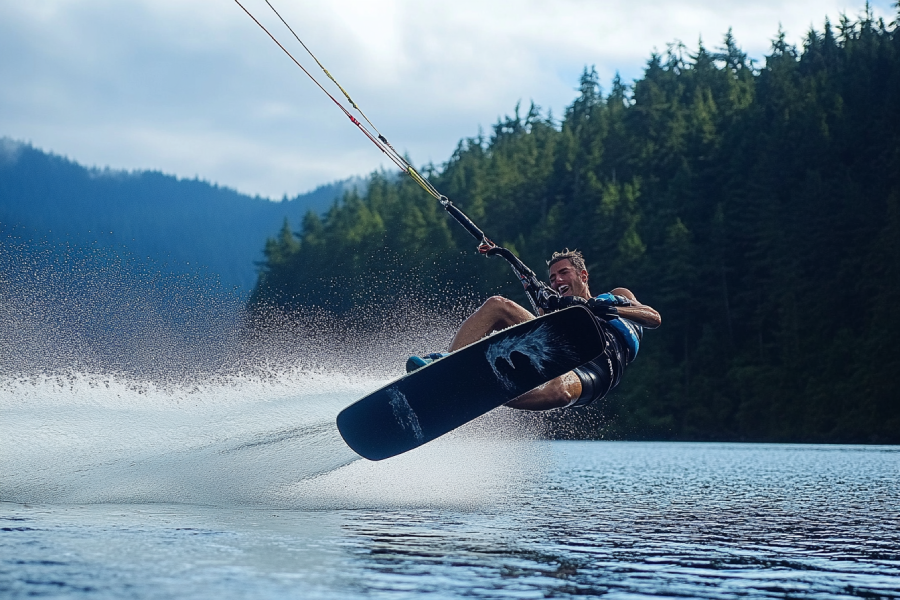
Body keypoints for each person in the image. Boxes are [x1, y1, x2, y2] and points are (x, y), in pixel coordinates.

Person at [407, 249, 661, 410]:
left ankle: (478, 392)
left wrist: (607, 309)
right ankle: (449, 366)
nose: (558, 281)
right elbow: (539, 325)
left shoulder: (616, 296)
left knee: (559, 392)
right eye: (552, 278)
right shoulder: (561, 307)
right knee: (498, 305)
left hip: (598, 369)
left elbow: (653, 317)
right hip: (566, 354)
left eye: (564, 273)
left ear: (583, 275)